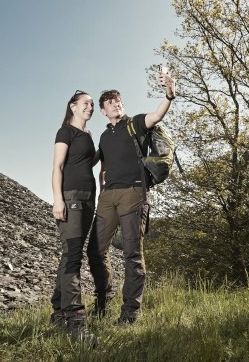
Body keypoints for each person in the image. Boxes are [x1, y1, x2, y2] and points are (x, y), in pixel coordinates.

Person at [88, 70, 176, 324]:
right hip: (108, 197)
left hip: (133, 193)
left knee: (132, 254)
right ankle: (104, 300)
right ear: (103, 110)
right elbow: (98, 165)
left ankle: (130, 313)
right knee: (95, 250)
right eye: (111, 102)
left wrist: (169, 93)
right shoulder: (105, 135)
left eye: (119, 101)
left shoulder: (135, 122)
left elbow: (157, 114)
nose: (116, 104)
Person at [51, 90, 99, 343]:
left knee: (70, 253)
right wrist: (58, 199)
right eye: (85, 104)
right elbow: (58, 166)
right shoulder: (65, 132)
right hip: (71, 197)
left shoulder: (87, 135)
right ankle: (75, 318)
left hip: (89, 197)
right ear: (72, 106)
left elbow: (84, 163)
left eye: (92, 104)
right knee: (73, 256)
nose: (90, 107)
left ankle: (58, 312)